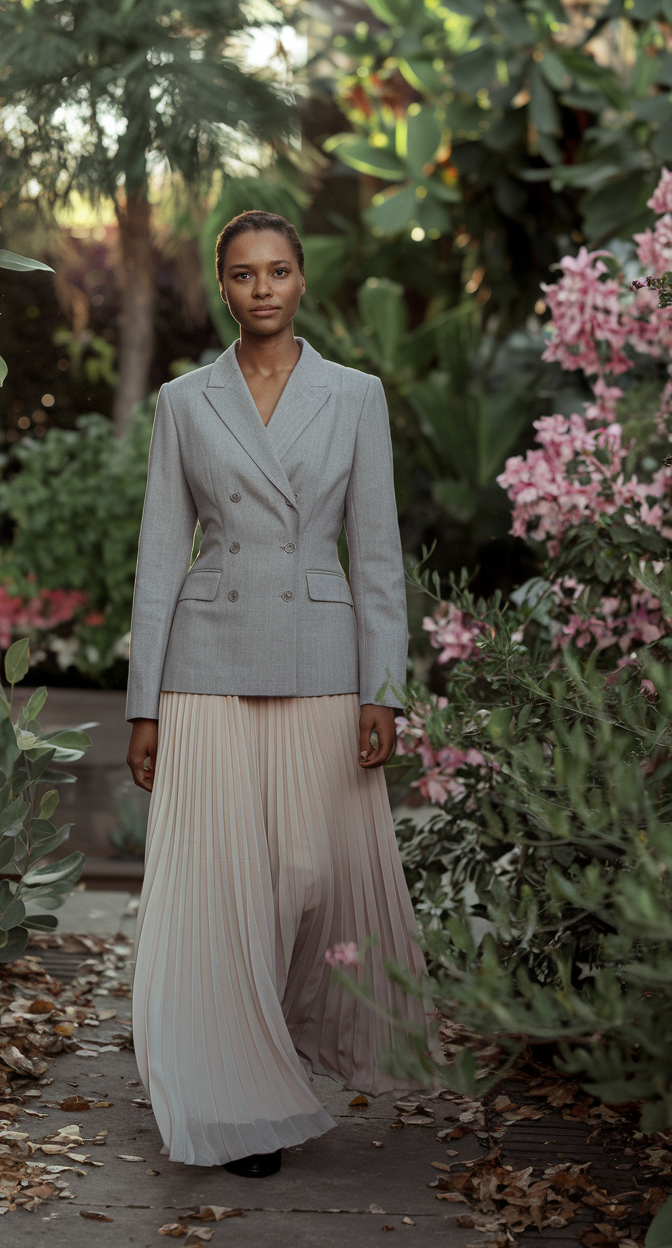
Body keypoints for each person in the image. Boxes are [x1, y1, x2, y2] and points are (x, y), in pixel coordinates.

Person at [125, 209, 430, 1178]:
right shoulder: (184, 400)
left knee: (304, 871)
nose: (262, 288)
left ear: (302, 280)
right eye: (243, 273)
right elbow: (159, 556)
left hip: (318, 653)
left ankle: (288, 1033)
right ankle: (237, 1093)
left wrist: (384, 689)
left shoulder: (355, 396)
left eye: (278, 271)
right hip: (206, 658)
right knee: (225, 886)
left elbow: (376, 554)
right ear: (222, 286)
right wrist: (143, 704)